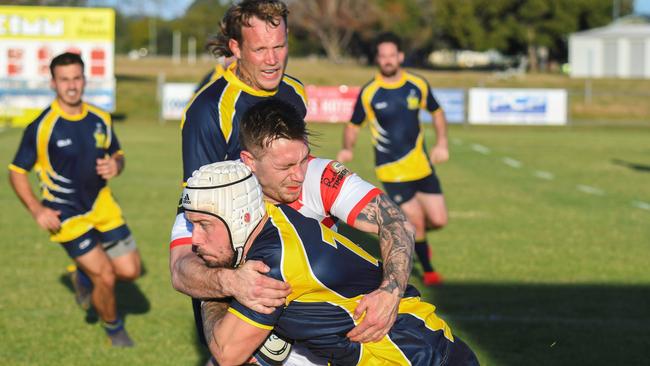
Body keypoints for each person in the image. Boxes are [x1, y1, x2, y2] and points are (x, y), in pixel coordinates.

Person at [169, 4, 415, 356]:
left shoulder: (294, 92)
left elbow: (308, 176)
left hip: (298, 257)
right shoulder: (209, 110)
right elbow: (202, 211)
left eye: (280, 46)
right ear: (236, 49)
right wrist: (229, 282)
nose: (272, 60)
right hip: (241, 256)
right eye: (260, 49)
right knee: (232, 355)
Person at [182, 160, 480, 366]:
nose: (194, 239)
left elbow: (226, 353)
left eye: (204, 225)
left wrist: (212, 287)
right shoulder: (272, 217)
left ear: (240, 217)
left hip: (416, 357)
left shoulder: (273, 263)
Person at [8, 52, 141, 347]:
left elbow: (117, 152)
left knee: (130, 271)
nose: (72, 85)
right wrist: (36, 209)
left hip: (102, 205)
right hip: (64, 213)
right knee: (105, 276)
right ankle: (113, 328)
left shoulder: (100, 118)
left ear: (84, 79)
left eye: (76, 78)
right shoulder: (42, 127)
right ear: (53, 83)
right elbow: (16, 172)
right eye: (64, 79)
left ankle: (81, 274)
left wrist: (116, 165)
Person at [337, 32, 450, 286]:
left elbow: (437, 111)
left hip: (422, 166)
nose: (387, 60)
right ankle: (429, 270)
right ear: (377, 59)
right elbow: (353, 125)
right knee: (416, 220)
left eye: (392, 55)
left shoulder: (417, 84)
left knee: (439, 219)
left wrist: (442, 142)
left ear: (400, 56)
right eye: (382, 56)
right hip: (392, 170)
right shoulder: (370, 92)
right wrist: (347, 148)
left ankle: (417, 241)